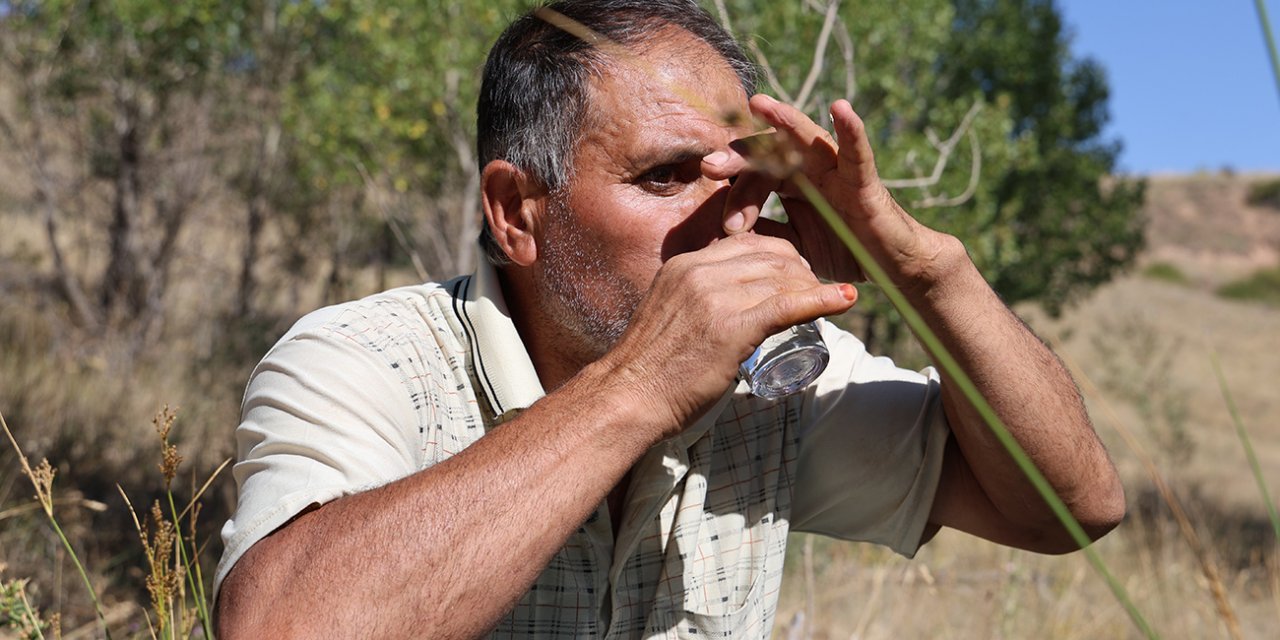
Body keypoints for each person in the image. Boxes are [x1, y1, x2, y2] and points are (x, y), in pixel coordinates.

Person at [213, 1, 1125, 637]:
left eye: (744, 180)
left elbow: (1070, 508)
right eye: (663, 176)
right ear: (517, 212)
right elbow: (285, 628)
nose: (727, 221)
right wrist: (641, 386)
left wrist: (926, 271)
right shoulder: (364, 359)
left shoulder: (773, 383)